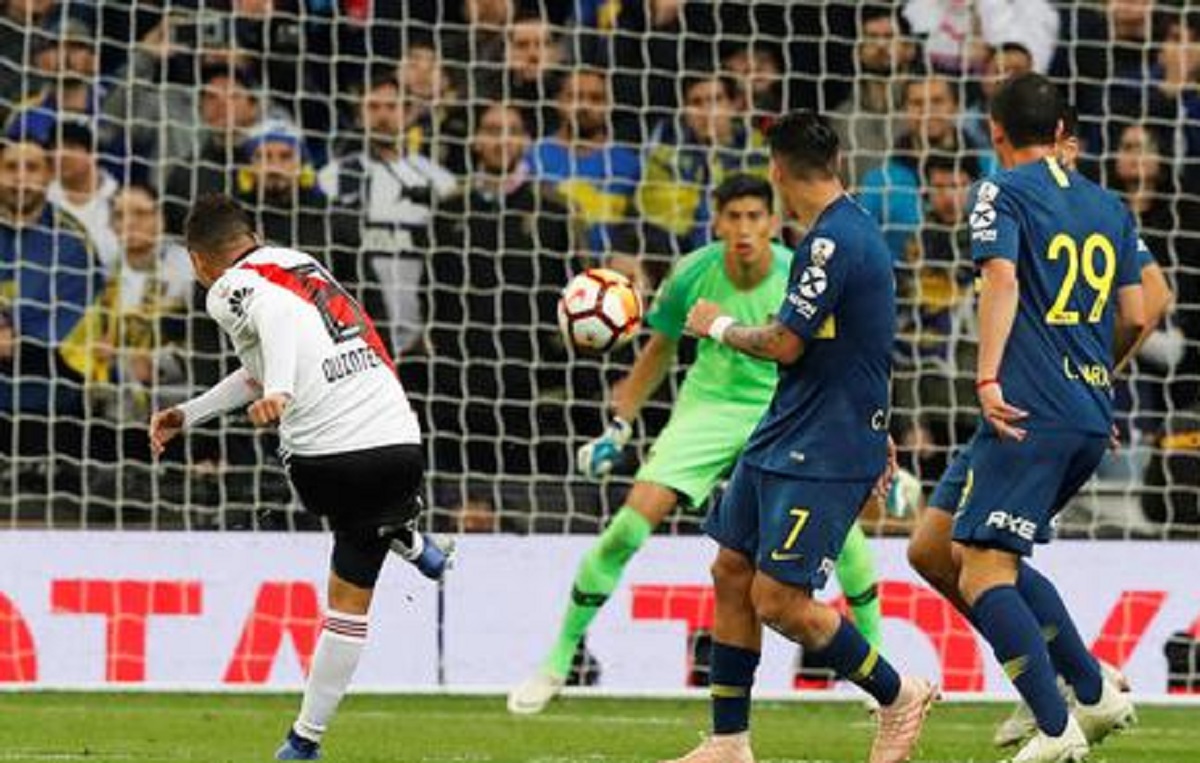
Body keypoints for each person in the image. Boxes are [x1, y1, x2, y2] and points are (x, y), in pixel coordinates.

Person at [507, 173, 887, 715]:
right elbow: (658, 351)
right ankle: (558, 660)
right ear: (717, 222)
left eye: (755, 217)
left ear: (773, 222)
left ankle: (875, 659)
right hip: (706, 409)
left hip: (780, 411)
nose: (744, 229)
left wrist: (869, 430)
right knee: (628, 526)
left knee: (843, 536)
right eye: (733, 218)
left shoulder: (797, 271)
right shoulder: (692, 273)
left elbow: (841, 356)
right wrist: (620, 425)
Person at [907, 100, 1176, 753]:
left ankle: (1062, 719)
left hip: (1023, 409)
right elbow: (1148, 306)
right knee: (932, 548)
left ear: (995, 133)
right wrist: (1092, 374)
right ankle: (1087, 684)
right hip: (1079, 406)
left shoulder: (998, 188)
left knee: (985, 570)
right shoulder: (1109, 205)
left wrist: (988, 377)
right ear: (1061, 134)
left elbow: (1001, 280)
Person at [664, 113, 933, 763]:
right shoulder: (846, 234)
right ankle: (729, 741)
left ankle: (898, 693)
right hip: (788, 430)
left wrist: (718, 324)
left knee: (780, 600)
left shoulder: (831, 242)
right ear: (835, 159)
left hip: (826, 444)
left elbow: (785, 341)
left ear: (777, 171)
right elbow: (866, 344)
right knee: (731, 568)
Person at [148, 194, 451, 761]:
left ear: (197, 259)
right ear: (253, 233)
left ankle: (400, 531)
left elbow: (276, 325)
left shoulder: (225, 286)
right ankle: (302, 740)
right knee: (352, 593)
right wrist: (188, 414)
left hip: (329, 464)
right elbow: (264, 362)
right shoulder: (299, 263)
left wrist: (282, 391)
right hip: (401, 443)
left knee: (336, 523)